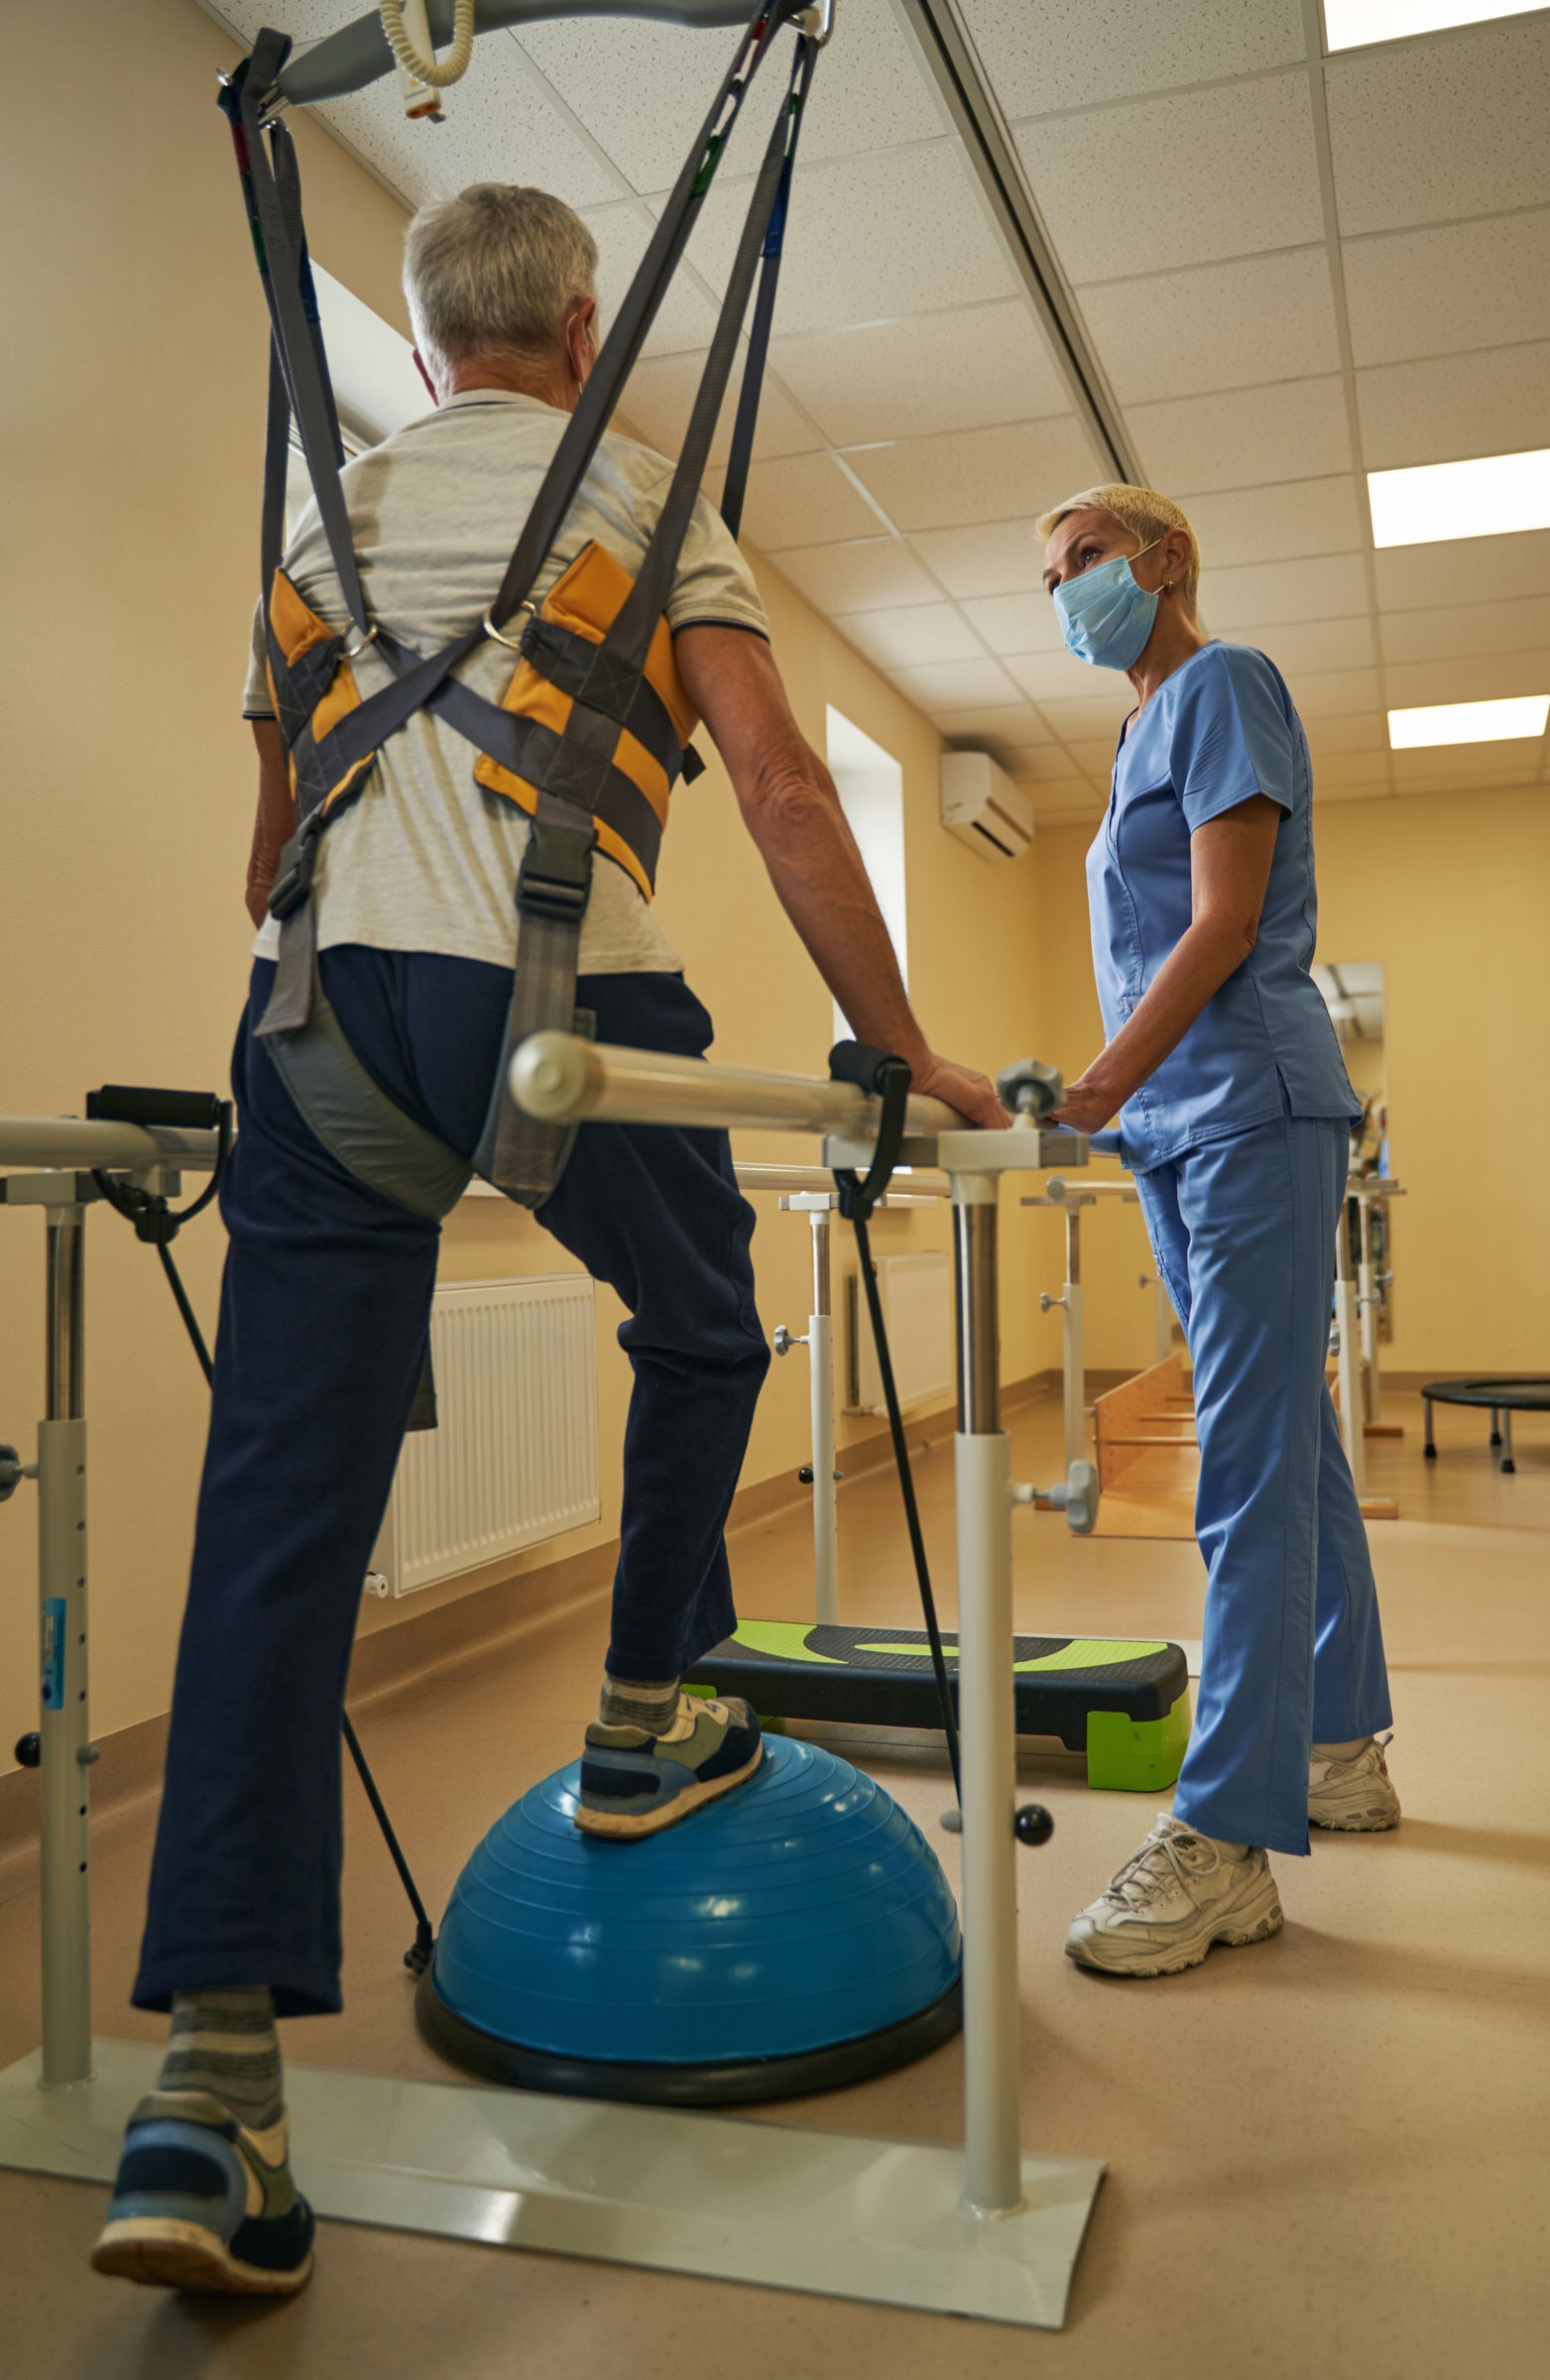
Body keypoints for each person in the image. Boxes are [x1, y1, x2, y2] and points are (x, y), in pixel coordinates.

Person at [91, 183, 1004, 2299]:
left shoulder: (315, 529)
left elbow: (266, 847)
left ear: (425, 354)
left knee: (274, 1522)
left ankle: (209, 2092)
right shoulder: (645, 497)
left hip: (317, 1024)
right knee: (705, 1324)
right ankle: (639, 1706)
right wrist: (903, 1049)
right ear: (585, 333)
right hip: (565, 1001)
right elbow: (780, 789)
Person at [1041, 484, 1398, 1981]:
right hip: (1176, 1127)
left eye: (1084, 560)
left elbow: (1225, 924)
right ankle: (1340, 1746)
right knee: (1289, 1442)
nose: (1067, 590)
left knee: (1243, 1468)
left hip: (1249, 1101)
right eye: (1052, 576)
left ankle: (1226, 1837)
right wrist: (1120, 1103)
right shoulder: (1134, 735)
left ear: (1165, 559)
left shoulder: (1221, 683)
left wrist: (1097, 1085)